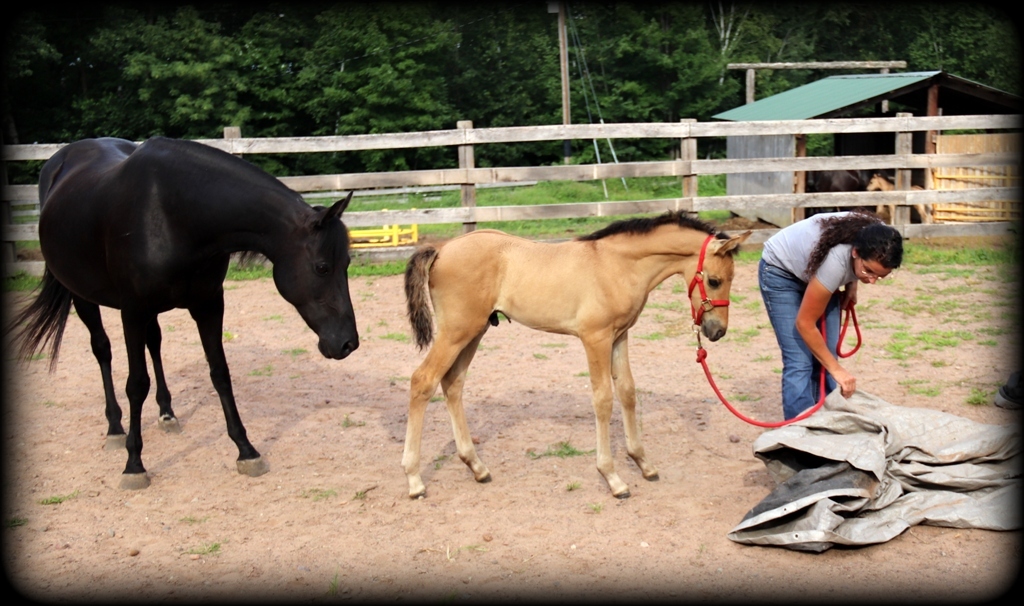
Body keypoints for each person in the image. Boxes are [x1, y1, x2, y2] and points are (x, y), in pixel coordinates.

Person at [758, 210, 903, 420]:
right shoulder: (836, 262)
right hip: (781, 271)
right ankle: (800, 437)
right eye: (869, 272)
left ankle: (825, 423)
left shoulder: (880, 236)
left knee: (827, 353)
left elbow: (856, 259)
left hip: (820, 268)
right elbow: (805, 323)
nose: (872, 281)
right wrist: (839, 371)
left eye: (879, 277)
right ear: (855, 252)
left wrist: (853, 282)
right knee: (800, 361)